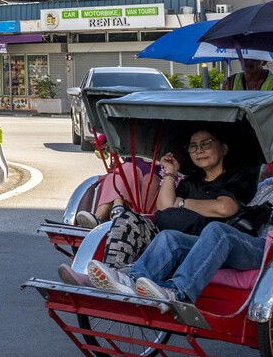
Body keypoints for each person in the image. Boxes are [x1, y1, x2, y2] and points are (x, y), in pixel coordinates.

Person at [85, 128, 261, 302]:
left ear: (223, 148)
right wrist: (170, 172)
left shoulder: (238, 177)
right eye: (193, 146)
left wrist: (182, 203)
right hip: (188, 238)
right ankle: (122, 279)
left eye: (206, 144)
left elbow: (225, 208)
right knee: (156, 231)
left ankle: (177, 291)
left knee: (215, 229)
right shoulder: (191, 182)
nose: (199, 150)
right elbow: (164, 207)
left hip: (230, 243)